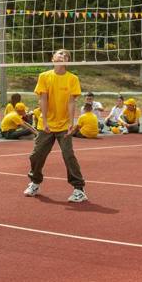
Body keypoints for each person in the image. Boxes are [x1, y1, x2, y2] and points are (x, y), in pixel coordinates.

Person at [24, 49, 87, 202]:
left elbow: (72, 102)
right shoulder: (44, 76)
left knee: (68, 155)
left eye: (66, 55)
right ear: (53, 58)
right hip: (45, 124)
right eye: (60, 54)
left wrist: (72, 123)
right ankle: (35, 182)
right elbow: (43, 99)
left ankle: (79, 189)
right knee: (36, 155)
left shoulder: (72, 78)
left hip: (64, 124)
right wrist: (44, 121)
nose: (63, 56)